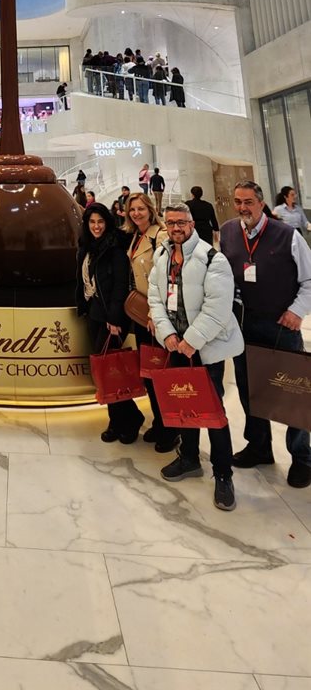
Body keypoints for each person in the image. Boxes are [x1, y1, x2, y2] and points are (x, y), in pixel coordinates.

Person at [148, 202, 242, 511]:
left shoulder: (212, 259)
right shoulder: (162, 256)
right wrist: (168, 335)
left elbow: (217, 309)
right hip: (175, 346)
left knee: (212, 412)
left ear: (191, 224)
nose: (176, 228)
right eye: (171, 222)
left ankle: (223, 474)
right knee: (183, 404)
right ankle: (188, 457)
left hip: (205, 349)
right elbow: (155, 298)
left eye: (181, 222)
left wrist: (191, 340)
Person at [220, 181, 311, 489]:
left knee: (292, 394)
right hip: (245, 325)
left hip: (282, 326)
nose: (242, 207)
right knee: (249, 388)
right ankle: (259, 447)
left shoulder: (289, 236)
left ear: (260, 203)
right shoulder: (229, 232)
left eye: (248, 201)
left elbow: (309, 280)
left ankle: (302, 457)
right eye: (237, 201)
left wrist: (297, 311)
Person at [76, 203, 145, 444]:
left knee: (113, 370)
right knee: (105, 371)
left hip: (111, 318)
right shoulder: (87, 247)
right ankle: (117, 421)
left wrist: (115, 319)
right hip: (95, 313)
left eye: (100, 222)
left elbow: (119, 286)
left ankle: (131, 418)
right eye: (92, 222)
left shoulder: (114, 249)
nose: (96, 227)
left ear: (108, 223)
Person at [123, 192, 176, 451]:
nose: (136, 213)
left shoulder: (161, 235)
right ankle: (160, 421)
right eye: (132, 210)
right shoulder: (136, 236)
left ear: (150, 209)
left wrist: (158, 314)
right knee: (151, 373)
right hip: (142, 316)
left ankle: (171, 428)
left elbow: (168, 278)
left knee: (162, 374)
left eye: (141, 209)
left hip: (158, 316)